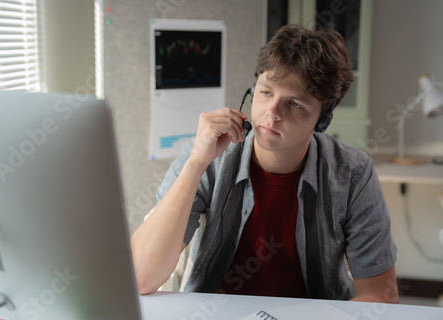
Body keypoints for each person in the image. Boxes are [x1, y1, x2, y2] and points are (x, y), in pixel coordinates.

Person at [131, 24, 398, 303]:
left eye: (295, 104)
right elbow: (141, 276)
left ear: (322, 120)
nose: (271, 113)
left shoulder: (353, 173)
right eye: (266, 92)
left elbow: (380, 297)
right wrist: (198, 160)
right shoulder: (208, 154)